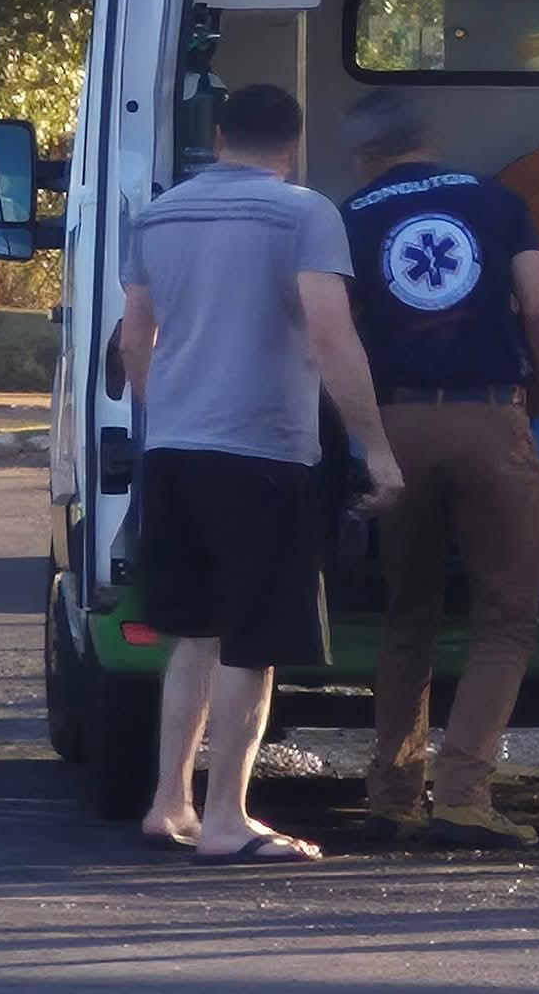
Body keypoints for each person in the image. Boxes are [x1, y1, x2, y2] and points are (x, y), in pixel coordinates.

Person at [120, 84, 402, 866]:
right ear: (293, 145)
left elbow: (135, 336)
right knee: (253, 640)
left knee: (194, 633)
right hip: (264, 454)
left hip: (174, 449)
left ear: (218, 137)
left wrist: (168, 406)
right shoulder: (304, 212)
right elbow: (331, 334)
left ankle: (169, 802)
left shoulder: (158, 215)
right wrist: (375, 446)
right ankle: (227, 821)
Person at [339, 93, 539, 849]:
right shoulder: (496, 202)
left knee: (410, 614)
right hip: (489, 418)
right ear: (431, 140)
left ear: (365, 151)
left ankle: (393, 795)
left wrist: (357, 430)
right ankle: (464, 795)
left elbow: (333, 333)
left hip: (397, 423)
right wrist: (535, 405)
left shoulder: (352, 212)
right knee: (506, 618)